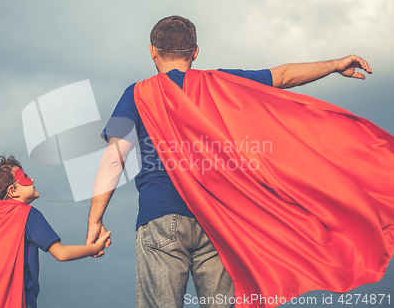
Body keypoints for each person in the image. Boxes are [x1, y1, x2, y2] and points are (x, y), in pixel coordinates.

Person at [86, 16, 378, 308]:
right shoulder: (220, 83)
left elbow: (115, 159)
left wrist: (95, 220)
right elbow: (284, 76)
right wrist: (335, 64)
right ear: (195, 52)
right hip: (218, 219)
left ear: (153, 51)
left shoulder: (137, 95)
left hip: (161, 216)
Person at [0, 155, 111, 308]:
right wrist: (95, 248)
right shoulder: (28, 215)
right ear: (13, 190)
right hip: (20, 300)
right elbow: (61, 254)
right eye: (24, 176)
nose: (32, 180)